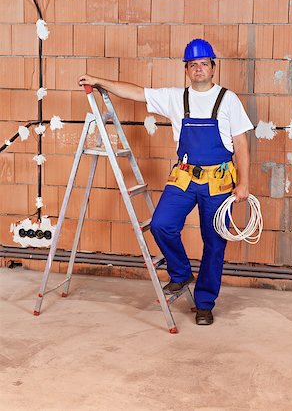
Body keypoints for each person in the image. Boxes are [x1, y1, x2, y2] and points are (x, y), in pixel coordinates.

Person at [79, 39, 253, 325]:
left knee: (215, 242)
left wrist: (243, 183)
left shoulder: (228, 99)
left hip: (219, 182)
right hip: (184, 176)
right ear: (187, 70)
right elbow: (136, 92)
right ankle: (182, 272)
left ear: (212, 68)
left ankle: (205, 303)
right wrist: (99, 81)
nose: (199, 69)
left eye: (204, 64)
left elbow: (241, 144)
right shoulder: (176, 97)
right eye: (193, 65)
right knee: (161, 224)